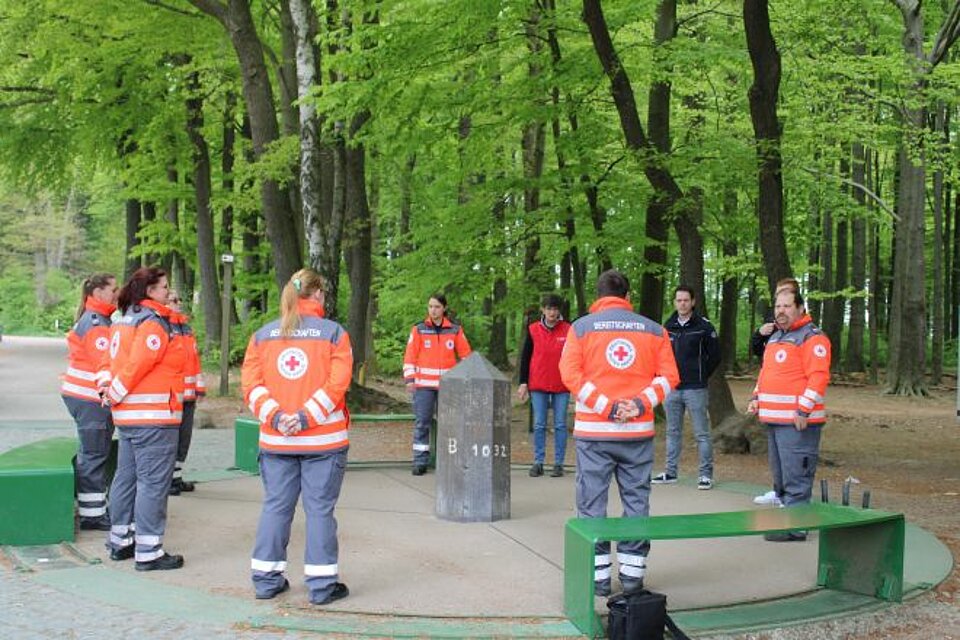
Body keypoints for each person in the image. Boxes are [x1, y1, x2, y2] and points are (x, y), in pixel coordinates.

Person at [559, 270, 680, 596]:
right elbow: (670, 377)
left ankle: (598, 579)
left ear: (598, 296)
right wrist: (638, 404)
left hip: (594, 434)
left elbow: (569, 374)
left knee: (592, 504)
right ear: (628, 297)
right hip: (636, 434)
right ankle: (632, 577)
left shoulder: (581, 328)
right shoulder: (654, 330)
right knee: (636, 502)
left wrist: (607, 407)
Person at [241, 269, 353, 604]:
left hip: (277, 441)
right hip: (323, 441)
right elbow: (337, 385)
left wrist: (278, 417)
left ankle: (266, 580)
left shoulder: (262, 336)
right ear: (317, 295)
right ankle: (321, 587)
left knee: (276, 507)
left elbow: (251, 386)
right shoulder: (334, 334)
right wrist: (304, 418)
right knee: (319, 510)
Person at [104, 267, 186, 570]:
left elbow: (109, 362)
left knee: (126, 477)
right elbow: (138, 364)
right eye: (164, 287)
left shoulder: (123, 319)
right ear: (150, 291)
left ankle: (120, 540)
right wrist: (115, 392)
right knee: (153, 484)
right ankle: (149, 552)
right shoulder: (153, 323)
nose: (168, 291)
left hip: (126, 417)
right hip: (153, 418)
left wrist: (108, 391)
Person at [747, 287, 831, 542]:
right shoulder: (775, 337)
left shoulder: (812, 337)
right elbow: (766, 372)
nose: (780, 311)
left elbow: (819, 376)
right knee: (782, 474)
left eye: (786, 306)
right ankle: (787, 520)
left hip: (797, 421)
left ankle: (796, 527)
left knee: (797, 474)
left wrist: (804, 408)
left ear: (800, 308)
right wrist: (756, 397)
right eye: (777, 307)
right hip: (773, 419)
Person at [61, 273, 118, 531]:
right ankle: (92, 515)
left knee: (94, 452)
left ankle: (94, 509)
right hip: (90, 399)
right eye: (113, 289)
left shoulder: (98, 319)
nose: (117, 293)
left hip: (86, 398)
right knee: (94, 454)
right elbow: (103, 362)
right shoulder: (96, 324)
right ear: (97, 293)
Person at [653, 286, 720, 490]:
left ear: (693, 302)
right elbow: (661, 355)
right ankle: (670, 472)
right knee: (673, 432)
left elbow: (715, 356)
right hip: (673, 388)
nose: (682, 304)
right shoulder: (668, 326)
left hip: (696, 389)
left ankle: (705, 475)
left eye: (685, 300)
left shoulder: (704, 326)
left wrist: (700, 374)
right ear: (674, 302)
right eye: (678, 300)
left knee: (701, 433)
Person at [402, 294, 472, 476]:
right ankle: (420, 461)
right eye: (430, 306)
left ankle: (449, 460)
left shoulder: (455, 330)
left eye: (437, 307)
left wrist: (465, 380)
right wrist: (410, 379)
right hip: (423, 386)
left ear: (444, 308)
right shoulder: (419, 329)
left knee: (449, 424)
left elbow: (466, 357)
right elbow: (410, 356)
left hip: (449, 387)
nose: (433, 310)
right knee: (422, 423)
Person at [749, 277, 800, 507]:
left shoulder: (803, 330)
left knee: (792, 459)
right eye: (778, 299)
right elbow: (760, 354)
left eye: (786, 298)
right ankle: (778, 491)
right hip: (770, 399)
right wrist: (760, 334)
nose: (781, 308)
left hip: (794, 407)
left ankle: (792, 502)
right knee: (776, 455)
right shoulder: (774, 326)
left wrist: (805, 408)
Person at [517, 294, 572, 478]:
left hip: (561, 385)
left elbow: (574, 358)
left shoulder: (568, 329)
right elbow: (525, 358)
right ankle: (538, 462)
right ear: (543, 310)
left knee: (560, 425)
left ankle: (558, 463)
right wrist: (523, 382)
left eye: (555, 309)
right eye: (548, 309)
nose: (552, 313)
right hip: (538, 384)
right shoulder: (533, 329)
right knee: (539, 424)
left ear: (559, 311)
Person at [168, 290, 203, 495]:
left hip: (188, 395)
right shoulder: (164, 327)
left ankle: (176, 477)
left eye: (180, 299)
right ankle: (169, 480)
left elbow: (194, 360)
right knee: (171, 439)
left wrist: (198, 386)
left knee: (184, 439)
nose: (179, 303)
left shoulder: (186, 328)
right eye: (174, 300)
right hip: (173, 395)